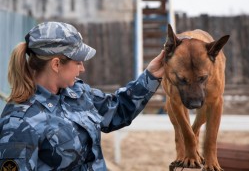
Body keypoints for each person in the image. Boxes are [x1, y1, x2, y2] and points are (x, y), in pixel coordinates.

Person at [0, 22, 165, 171]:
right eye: (78, 62)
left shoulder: (77, 93)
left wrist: (151, 76)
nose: (82, 69)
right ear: (56, 64)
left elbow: (117, 110)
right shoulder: (18, 123)